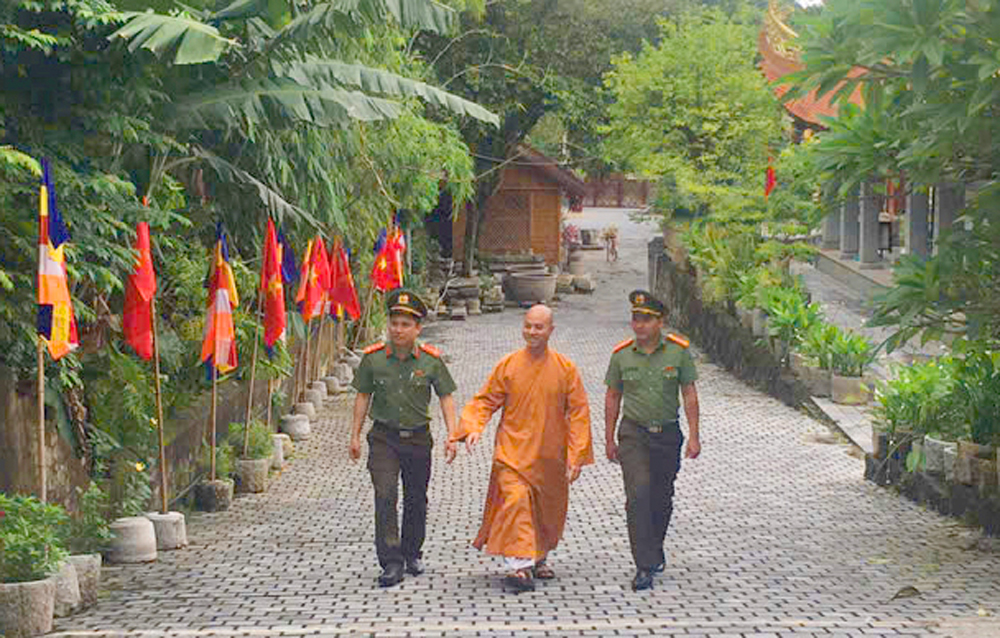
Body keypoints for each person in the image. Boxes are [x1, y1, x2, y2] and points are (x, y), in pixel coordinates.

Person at [448, 304, 593, 593]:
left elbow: (579, 413)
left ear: (551, 330)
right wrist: (472, 427)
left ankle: (538, 557)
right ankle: (520, 567)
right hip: (511, 452)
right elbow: (485, 400)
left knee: (544, 509)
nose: (532, 332)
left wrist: (576, 455)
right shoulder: (509, 364)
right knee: (515, 501)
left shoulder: (566, 369)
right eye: (528, 326)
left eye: (539, 327)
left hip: (549, 455)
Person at [349, 289, 458, 587]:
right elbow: (362, 396)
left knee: (416, 498)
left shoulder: (431, 361)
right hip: (384, 438)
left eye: (405, 324)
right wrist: (355, 435)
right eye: (394, 323)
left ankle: (412, 552)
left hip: (418, 440)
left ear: (418, 328)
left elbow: (446, 397)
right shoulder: (373, 360)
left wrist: (453, 435)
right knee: (385, 495)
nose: (398, 329)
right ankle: (391, 561)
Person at [604, 290, 701, 591]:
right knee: (638, 495)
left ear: (661, 322)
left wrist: (694, 436)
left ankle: (654, 548)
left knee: (661, 497)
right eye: (636, 319)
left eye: (646, 319)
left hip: (667, 435)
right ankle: (644, 565)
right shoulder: (621, 355)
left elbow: (689, 394)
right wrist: (609, 438)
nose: (640, 325)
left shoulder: (678, 352)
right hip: (633, 434)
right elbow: (612, 397)